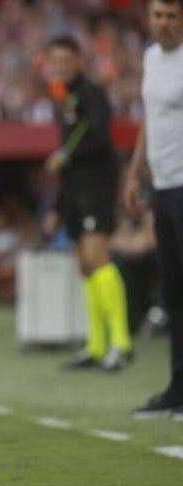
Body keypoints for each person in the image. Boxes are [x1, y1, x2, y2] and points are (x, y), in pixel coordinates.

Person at [42, 34, 132, 371]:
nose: (61, 68)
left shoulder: (92, 95)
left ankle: (121, 344)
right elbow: (67, 160)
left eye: (66, 62)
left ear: (79, 61)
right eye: (56, 63)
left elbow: (99, 136)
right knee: (85, 264)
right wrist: (56, 207)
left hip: (96, 187)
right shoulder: (65, 100)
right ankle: (96, 345)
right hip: (75, 191)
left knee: (98, 257)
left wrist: (66, 153)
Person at [124, 0, 183, 419]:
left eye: (171, 16)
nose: (163, 23)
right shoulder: (150, 57)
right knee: (174, 291)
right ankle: (178, 387)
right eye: (157, 15)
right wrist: (134, 171)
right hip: (162, 187)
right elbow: (151, 116)